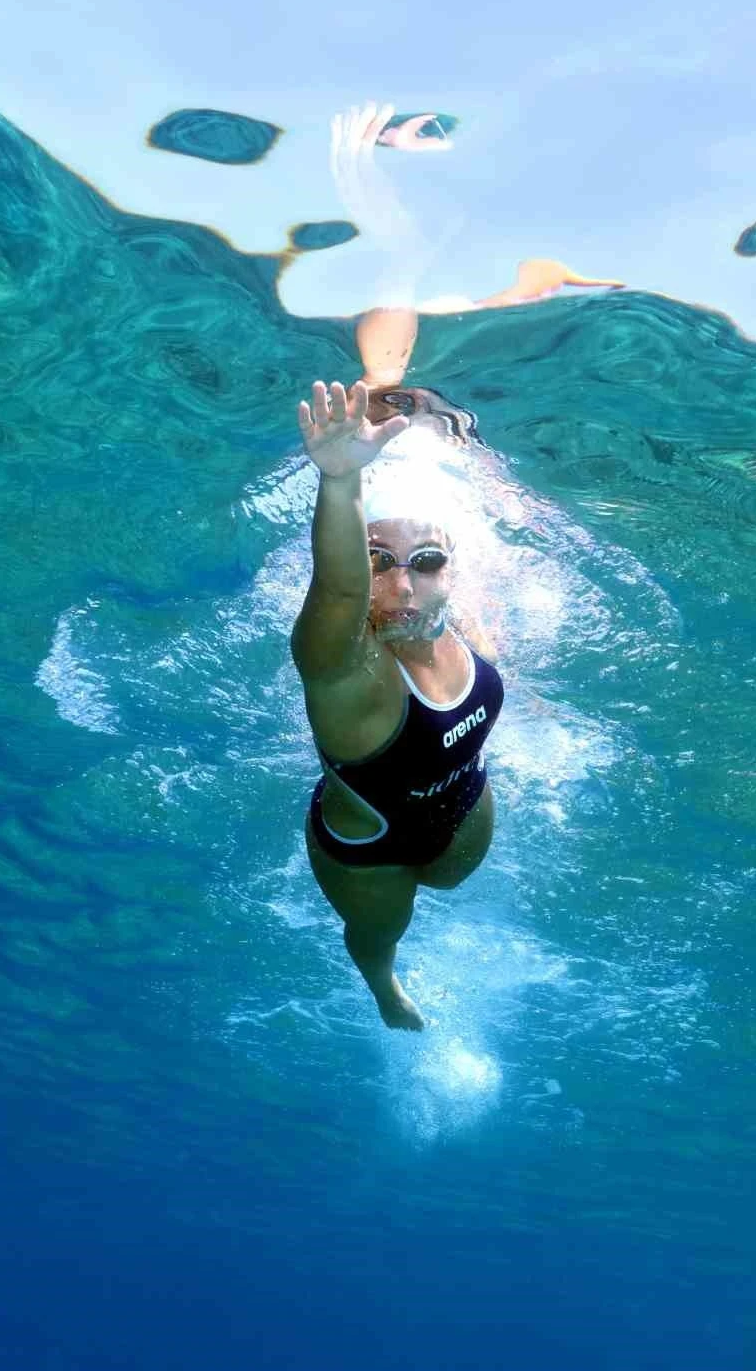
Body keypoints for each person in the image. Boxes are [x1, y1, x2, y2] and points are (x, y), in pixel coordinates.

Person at [291, 378, 504, 1030]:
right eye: (379, 561)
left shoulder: (457, 619)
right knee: (381, 933)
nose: (404, 586)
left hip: (462, 803)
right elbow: (338, 591)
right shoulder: (344, 668)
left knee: (447, 881)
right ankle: (384, 988)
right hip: (372, 844)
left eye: (427, 561)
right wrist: (340, 481)